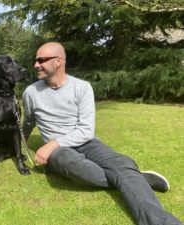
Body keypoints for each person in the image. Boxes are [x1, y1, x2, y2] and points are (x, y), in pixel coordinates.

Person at [22, 42, 183, 225]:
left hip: (86, 142)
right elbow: (28, 120)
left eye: (41, 60)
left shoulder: (82, 87)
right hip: (60, 153)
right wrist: (20, 141)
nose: (36, 64)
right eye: (35, 60)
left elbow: (85, 130)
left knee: (122, 162)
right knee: (70, 162)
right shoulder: (31, 92)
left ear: (58, 61)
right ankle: (135, 178)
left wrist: (51, 144)